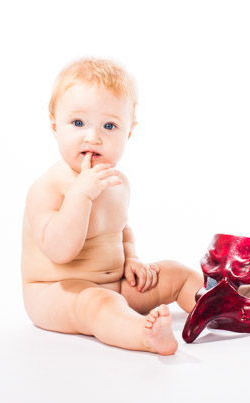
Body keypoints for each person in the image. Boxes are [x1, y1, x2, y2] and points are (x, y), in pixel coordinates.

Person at [20, 57, 206, 355]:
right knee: (98, 303)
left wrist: (132, 260)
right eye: (78, 123)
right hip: (57, 293)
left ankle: (220, 305)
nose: (93, 137)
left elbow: (121, 229)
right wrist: (80, 196)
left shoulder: (116, 182)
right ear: (55, 127)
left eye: (109, 126)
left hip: (116, 284)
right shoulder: (48, 188)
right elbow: (59, 251)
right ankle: (143, 336)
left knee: (175, 273)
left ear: (127, 133)